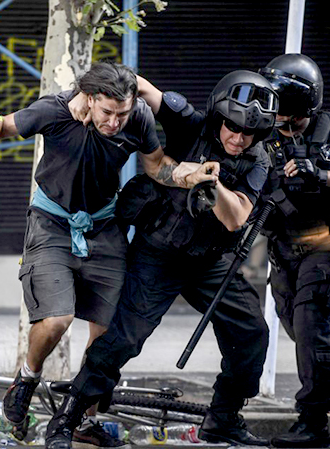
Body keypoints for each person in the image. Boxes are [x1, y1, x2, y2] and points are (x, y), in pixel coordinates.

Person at [0, 62, 212, 448]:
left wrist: (185, 175)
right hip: (52, 223)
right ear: (90, 99)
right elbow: (5, 123)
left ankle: (81, 418)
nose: (114, 122)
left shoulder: (139, 118)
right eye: (107, 113)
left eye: (122, 114)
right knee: (57, 319)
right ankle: (26, 379)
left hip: (104, 225)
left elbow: (155, 165)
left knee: (107, 333)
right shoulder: (56, 110)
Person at [45, 69, 279, 449]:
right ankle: (67, 419)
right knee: (122, 338)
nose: (238, 138)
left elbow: (236, 219)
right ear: (219, 116)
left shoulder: (257, 161)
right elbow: (131, 81)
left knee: (251, 333)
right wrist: (78, 94)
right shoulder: (191, 124)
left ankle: (222, 421)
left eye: (248, 132)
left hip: (209, 263)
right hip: (158, 254)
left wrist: (211, 183)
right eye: (232, 127)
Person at [258, 53, 330, 448]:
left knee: (309, 322)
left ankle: (312, 422)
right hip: (283, 248)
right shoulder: (264, 131)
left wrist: (323, 175)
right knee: (300, 328)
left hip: (329, 242)